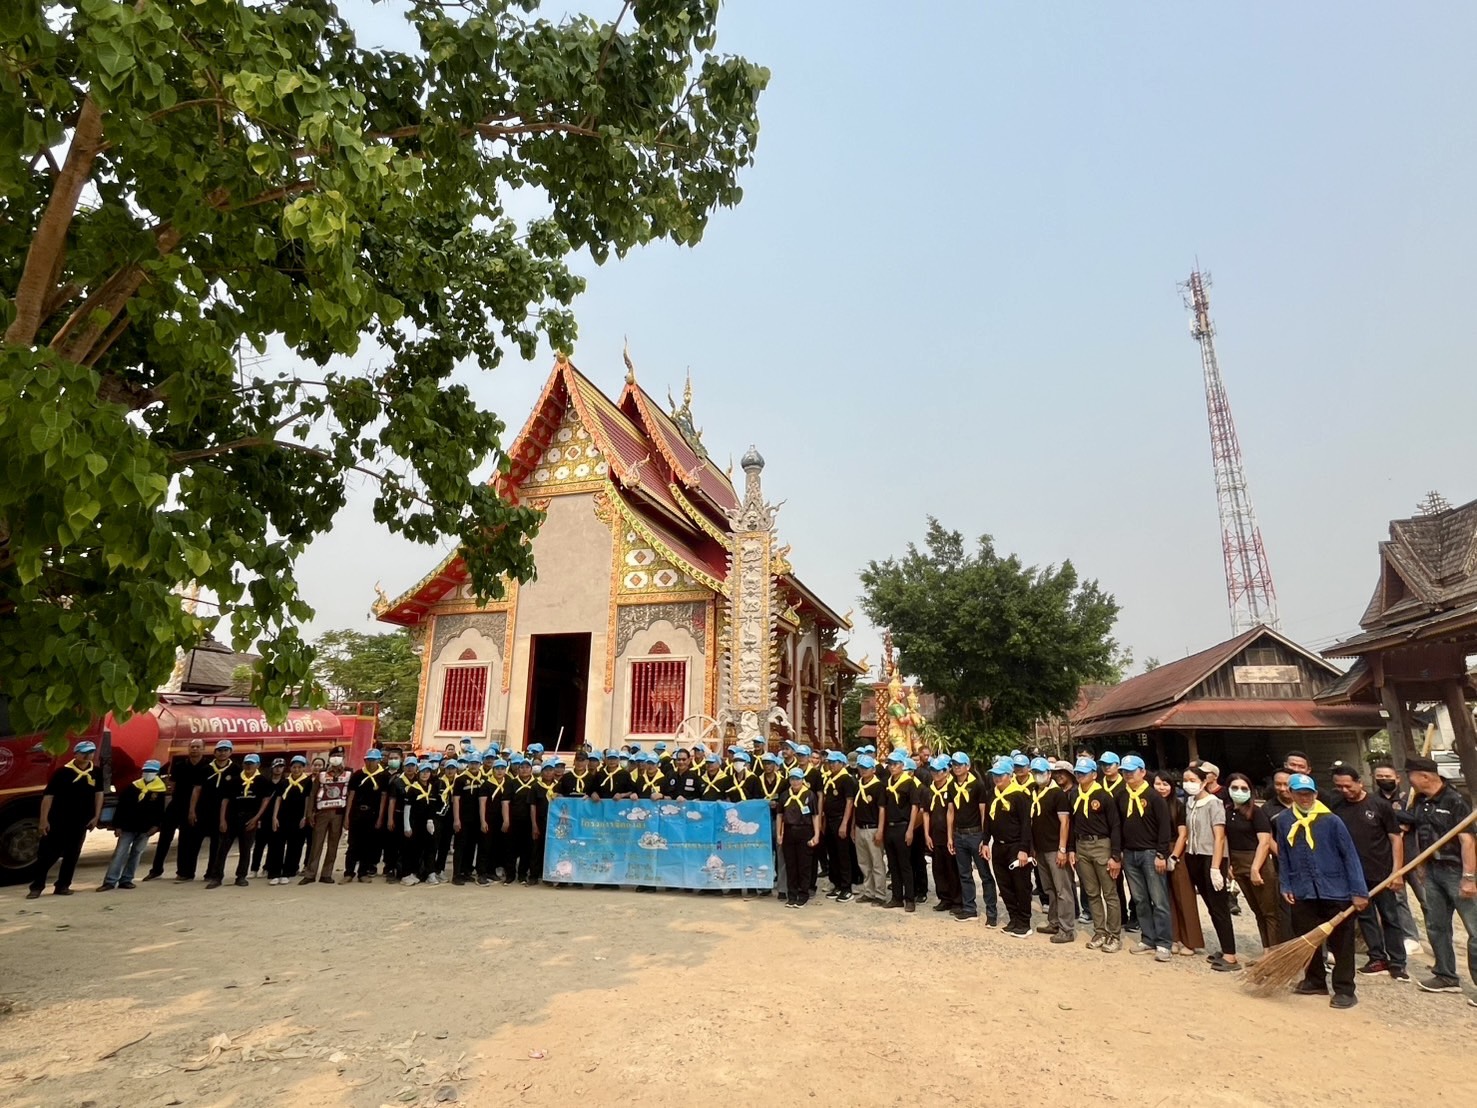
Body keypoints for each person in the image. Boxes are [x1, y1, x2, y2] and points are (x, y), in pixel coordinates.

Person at [1275, 773, 1369, 1009]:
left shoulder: (1331, 820)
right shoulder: (1285, 820)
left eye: (1308, 793)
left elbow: (1350, 856)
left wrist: (1359, 891)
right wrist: (1286, 884)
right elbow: (1284, 856)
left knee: (1342, 943)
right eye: (1299, 793)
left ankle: (1345, 988)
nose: (1304, 798)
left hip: (1335, 890)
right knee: (1307, 939)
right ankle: (1315, 979)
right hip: (1303, 889)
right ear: (1291, 794)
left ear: (1315, 794)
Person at [1402, 756, 1477, 1003]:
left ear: (1425, 776)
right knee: (1436, 925)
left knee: (1475, 929)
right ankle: (1446, 975)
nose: (1409, 780)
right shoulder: (1420, 801)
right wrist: (1422, 867)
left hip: (1456, 871)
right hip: (1432, 870)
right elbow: (1421, 835)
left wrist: (1469, 877)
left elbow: (1468, 842)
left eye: (1411, 775)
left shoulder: (1456, 800)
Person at [1330, 764, 1407, 981]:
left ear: (1359, 782)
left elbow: (1395, 838)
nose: (1344, 790)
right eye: (1339, 787)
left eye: (1348, 786)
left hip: (1381, 872)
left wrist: (1397, 872)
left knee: (1391, 917)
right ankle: (1377, 958)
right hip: (1353, 875)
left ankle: (1397, 962)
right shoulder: (1337, 805)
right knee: (1365, 917)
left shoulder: (1380, 805)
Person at [25, 740, 105, 899]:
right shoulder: (62, 773)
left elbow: (99, 794)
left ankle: (63, 885)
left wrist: (96, 816)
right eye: (84, 752)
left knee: (72, 854)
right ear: (76, 754)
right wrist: (43, 819)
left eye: (91, 752)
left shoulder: (95, 772)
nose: (88, 755)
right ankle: (37, 886)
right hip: (58, 819)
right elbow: (48, 796)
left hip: (81, 820)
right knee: (48, 854)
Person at [1181, 764, 1239, 972]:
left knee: (1220, 906)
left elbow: (1219, 836)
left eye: (1193, 780)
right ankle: (1224, 948)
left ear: (1204, 781)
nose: (1188, 784)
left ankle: (1231, 954)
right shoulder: (1189, 803)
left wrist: (1216, 867)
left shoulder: (1214, 803)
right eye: (1185, 780)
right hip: (1194, 855)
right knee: (1210, 905)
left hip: (1211, 858)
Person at [1116, 755, 1173, 962]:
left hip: (1150, 853)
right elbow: (1119, 825)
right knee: (1139, 899)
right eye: (1125, 771)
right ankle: (1148, 937)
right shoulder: (1121, 795)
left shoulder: (1154, 797)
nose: (1128, 774)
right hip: (1130, 853)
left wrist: (1161, 853)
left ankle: (1164, 942)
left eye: (1132, 771)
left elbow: (1164, 827)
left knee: (1159, 899)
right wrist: (1119, 850)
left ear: (1142, 772)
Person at [1224, 772, 1284, 952]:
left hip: (1258, 863)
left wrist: (1256, 868)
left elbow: (1265, 842)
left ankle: (1275, 952)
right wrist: (1229, 866)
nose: (1239, 791)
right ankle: (1266, 950)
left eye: (1244, 788)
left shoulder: (1256, 812)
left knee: (1270, 913)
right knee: (1257, 911)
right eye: (1235, 788)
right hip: (1238, 863)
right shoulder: (1227, 812)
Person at [1069, 757, 1121, 952]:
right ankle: (1100, 931)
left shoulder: (1104, 796)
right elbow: (1072, 823)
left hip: (1101, 844)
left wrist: (1115, 855)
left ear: (1094, 774)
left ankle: (1114, 934)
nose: (1080, 776)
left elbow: (1115, 825)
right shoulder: (1074, 795)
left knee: (1109, 892)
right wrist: (1071, 848)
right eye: (1078, 773)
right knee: (1091, 892)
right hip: (1081, 845)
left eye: (1083, 772)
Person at [1154, 770, 1204, 956]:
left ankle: (1190, 940)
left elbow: (1183, 833)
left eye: (1165, 784)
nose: (1162, 787)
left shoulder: (1178, 805)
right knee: (1166, 897)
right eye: (1158, 784)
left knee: (1184, 895)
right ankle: (1173, 937)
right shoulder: (1150, 804)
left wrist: (1174, 856)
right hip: (1157, 850)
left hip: (1176, 850)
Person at [98, 758, 167, 891]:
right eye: (146, 771)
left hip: (145, 829)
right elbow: (122, 807)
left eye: (152, 771)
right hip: (128, 827)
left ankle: (127, 879)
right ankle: (110, 881)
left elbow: (159, 810)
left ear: (157, 773)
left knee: (136, 853)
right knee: (119, 853)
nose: (148, 773)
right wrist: (117, 825)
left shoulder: (159, 790)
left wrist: (156, 826)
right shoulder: (133, 787)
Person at [144, 738, 206, 881]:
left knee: (185, 840)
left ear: (203, 749)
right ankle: (156, 870)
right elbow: (172, 784)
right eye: (192, 747)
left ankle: (183, 872)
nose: (194, 749)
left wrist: (193, 811)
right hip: (176, 804)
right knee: (164, 838)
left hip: (193, 808)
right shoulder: (179, 764)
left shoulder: (206, 766)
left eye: (197, 747)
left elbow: (199, 789)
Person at [1026, 757, 1073, 941]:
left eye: (1041, 772)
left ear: (1049, 774)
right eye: (1035, 772)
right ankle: (1054, 921)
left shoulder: (1057, 794)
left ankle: (1067, 928)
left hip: (1055, 848)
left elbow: (1065, 822)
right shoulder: (1033, 791)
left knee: (1063, 890)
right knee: (1050, 888)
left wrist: (1062, 849)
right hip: (1040, 848)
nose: (1038, 776)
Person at [948, 752, 997, 925]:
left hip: (975, 833)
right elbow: (951, 811)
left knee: (984, 874)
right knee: (964, 874)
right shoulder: (951, 786)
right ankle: (969, 908)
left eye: (960, 764)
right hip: (959, 834)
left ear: (968, 766)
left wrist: (984, 839)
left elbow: (983, 812)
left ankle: (991, 912)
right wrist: (950, 836)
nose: (957, 767)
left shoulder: (977, 785)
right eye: (954, 764)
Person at [209, 753, 273, 888]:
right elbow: (225, 800)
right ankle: (217, 876)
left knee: (245, 849)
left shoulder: (263, 781)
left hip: (250, 817)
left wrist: (256, 818)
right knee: (222, 849)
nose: (249, 766)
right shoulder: (234, 780)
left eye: (252, 763)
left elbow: (265, 801)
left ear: (258, 765)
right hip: (232, 817)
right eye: (247, 763)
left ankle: (241, 876)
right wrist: (222, 820)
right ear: (243, 764)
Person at [988, 757, 1033, 937]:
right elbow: (988, 821)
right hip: (998, 846)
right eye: (994, 776)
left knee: (1020, 885)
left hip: (1015, 847)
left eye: (1000, 775)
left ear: (1009, 776)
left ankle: (1024, 922)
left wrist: (1024, 849)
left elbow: (1025, 824)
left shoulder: (1019, 795)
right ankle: (1013, 918)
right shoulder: (993, 794)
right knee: (1005, 885)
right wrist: (985, 841)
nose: (997, 779)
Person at [190, 740, 240, 885]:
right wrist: (192, 810)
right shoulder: (205, 769)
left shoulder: (235, 769)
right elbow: (196, 790)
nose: (222, 753)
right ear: (214, 752)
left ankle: (212, 873)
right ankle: (187, 872)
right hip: (204, 810)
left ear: (230, 752)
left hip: (224, 813)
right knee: (195, 842)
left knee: (217, 844)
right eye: (219, 750)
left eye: (225, 750)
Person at [301, 745, 351, 884]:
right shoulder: (322, 774)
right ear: (330, 758)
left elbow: (350, 795)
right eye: (334, 756)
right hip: (321, 813)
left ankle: (326, 874)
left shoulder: (348, 773)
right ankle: (310, 874)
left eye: (340, 756)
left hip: (338, 814)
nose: (337, 758)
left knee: (333, 845)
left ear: (343, 758)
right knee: (316, 844)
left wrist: (347, 816)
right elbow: (313, 794)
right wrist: (310, 813)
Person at [880, 751, 920, 912]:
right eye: (890, 764)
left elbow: (915, 807)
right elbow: (882, 807)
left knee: (905, 864)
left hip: (903, 826)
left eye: (895, 764)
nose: (892, 767)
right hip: (890, 827)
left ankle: (909, 898)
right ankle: (896, 897)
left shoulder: (908, 783)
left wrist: (910, 829)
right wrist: (882, 830)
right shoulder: (886, 783)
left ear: (902, 766)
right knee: (893, 864)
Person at [923, 756, 962, 914]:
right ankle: (944, 898)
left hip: (949, 836)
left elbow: (953, 812)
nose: (936, 774)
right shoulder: (929, 789)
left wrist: (951, 836)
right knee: (938, 868)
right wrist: (926, 834)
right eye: (933, 770)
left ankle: (957, 901)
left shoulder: (952, 788)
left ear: (946, 771)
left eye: (939, 771)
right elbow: (926, 813)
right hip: (935, 835)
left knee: (952, 868)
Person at [777, 767, 821, 908]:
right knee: (791, 864)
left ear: (803, 780)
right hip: (789, 831)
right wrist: (779, 834)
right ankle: (792, 894)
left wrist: (816, 834)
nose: (795, 782)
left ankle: (803, 894)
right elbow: (779, 815)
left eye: (797, 779)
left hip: (805, 830)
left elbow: (815, 815)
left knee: (804, 865)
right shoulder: (784, 795)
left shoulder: (809, 795)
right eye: (792, 779)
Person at [343, 748, 389, 882]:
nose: (370, 763)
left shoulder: (383, 776)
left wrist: (380, 818)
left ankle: (362, 873)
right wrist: (347, 816)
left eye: (373, 760)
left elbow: (383, 798)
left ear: (379, 761)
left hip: (373, 814)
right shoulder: (358, 775)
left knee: (367, 844)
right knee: (353, 845)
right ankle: (348, 872)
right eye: (368, 760)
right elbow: (351, 795)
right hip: (357, 813)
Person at [267, 755, 313, 884]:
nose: (296, 769)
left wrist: (305, 816)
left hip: (298, 817)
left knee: (295, 845)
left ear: (303, 768)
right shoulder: (284, 782)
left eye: (299, 767)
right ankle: (275, 872)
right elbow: (278, 799)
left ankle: (289, 871)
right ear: (290, 768)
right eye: (294, 767)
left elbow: (307, 799)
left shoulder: (308, 782)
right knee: (277, 845)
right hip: (282, 817)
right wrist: (274, 817)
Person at [820, 750, 856, 901]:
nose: (831, 765)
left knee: (843, 854)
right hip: (829, 820)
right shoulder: (829, 778)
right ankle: (837, 883)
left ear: (841, 763)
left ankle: (847, 887)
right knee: (832, 853)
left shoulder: (846, 779)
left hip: (841, 820)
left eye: (834, 762)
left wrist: (844, 823)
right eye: (829, 762)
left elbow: (849, 802)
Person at [851, 754, 887, 904]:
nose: (863, 771)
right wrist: (853, 827)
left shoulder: (878, 786)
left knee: (877, 863)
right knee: (864, 863)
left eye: (866, 768)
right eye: (861, 768)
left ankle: (880, 894)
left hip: (873, 828)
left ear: (873, 769)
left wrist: (880, 830)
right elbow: (855, 807)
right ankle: (868, 891)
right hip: (860, 827)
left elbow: (882, 810)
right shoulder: (858, 784)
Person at [401, 762, 442, 885]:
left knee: (428, 848)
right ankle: (406, 874)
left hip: (427, 824)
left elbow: (433, 806)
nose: (425, 774)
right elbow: (407, 809)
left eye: (428, 772)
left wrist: (430, 821)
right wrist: (407, 826)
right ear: (418, 773)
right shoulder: (413, 789)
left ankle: (425, 873)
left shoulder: (432, 787)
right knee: (411, 849)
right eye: (423, 772)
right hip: (414, 823)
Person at [450, 751, 485, 885]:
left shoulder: (484, 779)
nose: (474, 766)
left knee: (471, 846)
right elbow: (456, 800)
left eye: (476, 763)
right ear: (468, 764)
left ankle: (466, 871)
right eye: (471, 763)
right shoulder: (460, 779)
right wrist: (456, 819)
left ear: (480, 764)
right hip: (464, 818)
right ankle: (456, 874)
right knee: (460, 846)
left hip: (477, 819)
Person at [249, 758, 287, 876]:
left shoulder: (285, 783)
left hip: (278, 817)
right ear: (272, 767)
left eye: (280, 766)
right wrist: (258, 818)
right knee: (259, 844)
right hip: (264, 816)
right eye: (276, 766)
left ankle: (267, 867)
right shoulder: (265, 782)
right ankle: (254, 869)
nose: (278, 768)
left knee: (273, 844)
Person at [506, 756, 539, 885]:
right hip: (514, 820)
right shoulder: (512, 783)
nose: (524, 770)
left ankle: (522, 875)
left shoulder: (536, 784)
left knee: (527, 849)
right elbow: (506, 802)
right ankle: (510, 875)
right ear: (518, 769)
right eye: (522, 767)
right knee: (511, 849)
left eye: (527, 767)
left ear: (531, 769)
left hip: (530, 822)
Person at [479, 757, 510, 884]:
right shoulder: (486, 784)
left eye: (502, 768)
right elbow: (482, 804)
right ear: (493, 770)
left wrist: (506, 820)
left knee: (496, 847)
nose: (499, 771)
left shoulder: (508, 783)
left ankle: (491, 871)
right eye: (497, 769)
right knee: (484, 846)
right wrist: (482, 821)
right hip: (488, 818)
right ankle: (481, 873)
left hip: (501, 820)